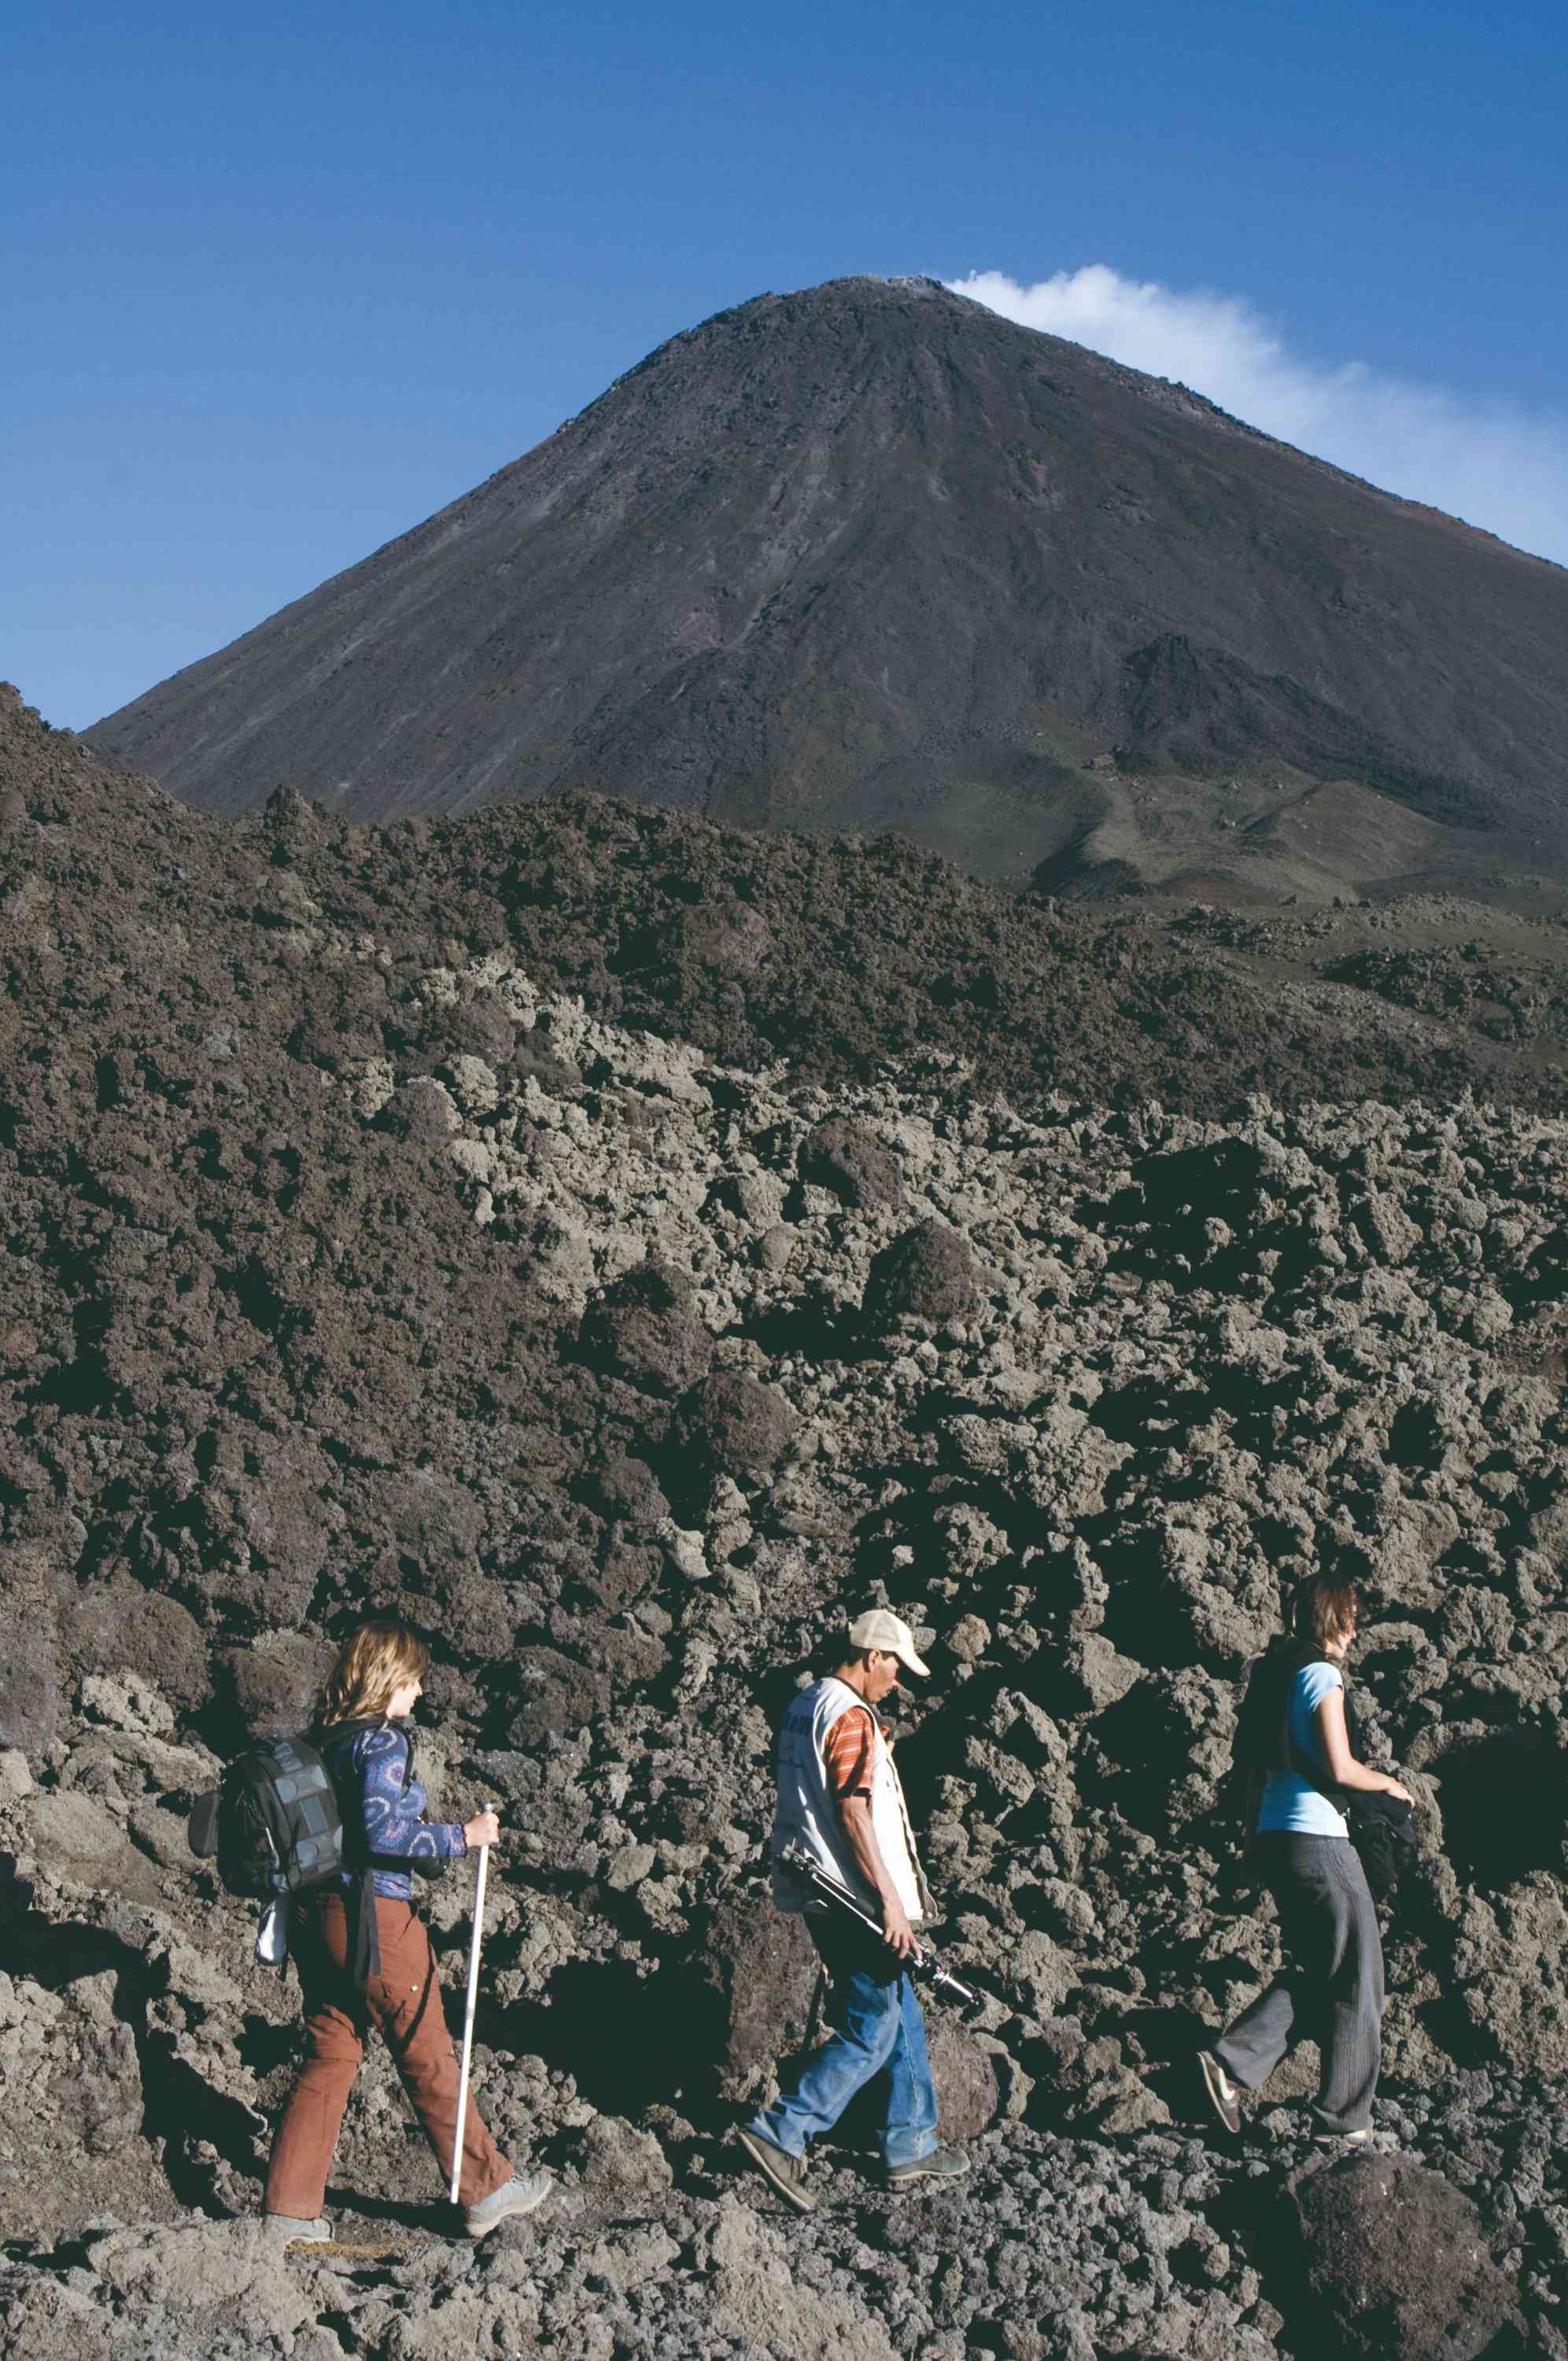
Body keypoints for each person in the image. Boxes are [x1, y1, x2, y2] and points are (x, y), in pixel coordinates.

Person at [264, 1619, 553, 2242]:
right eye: (416, 1678)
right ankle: (485, 2188)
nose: (420, 1692)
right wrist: (462, 1836)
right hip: (375, 1920)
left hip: (316, 1920)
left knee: (331, 2051)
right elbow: (381, 1833)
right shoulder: (382, 1742)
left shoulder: (324, 1741)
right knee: (427, 2048)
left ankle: (289, 2210)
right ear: (391, 1676)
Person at [737, 1609, 968, 2212]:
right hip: (854, 1896)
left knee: (900, 2008)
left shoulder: (809, 1703)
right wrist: (891, 1902)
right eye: (895, 1666)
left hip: (817, 1881)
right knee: (873, 2025)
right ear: (871, 1656)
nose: (898, 1680)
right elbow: (851, 1812)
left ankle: (910, 2139)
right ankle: (782, 2129)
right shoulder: (850, 1714)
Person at [1198, 1574, 1412, 2146]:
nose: (1354, 1628)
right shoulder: (1319, 1673)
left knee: (1322, 1974)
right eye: (1348, 1615)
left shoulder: (1273, 1672)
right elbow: (1340, 1768)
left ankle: (1232, 2062)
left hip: (1277, 1841)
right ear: (1329, 1618)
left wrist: (1249, 1848)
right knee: (1361, 1976)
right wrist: (1393, 1787)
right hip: (1319, 1843)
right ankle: (1345, 2121)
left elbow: (1253, 1773)